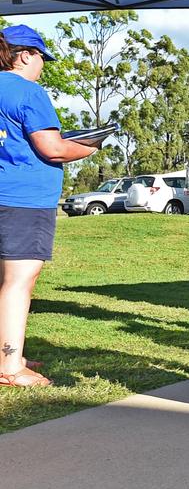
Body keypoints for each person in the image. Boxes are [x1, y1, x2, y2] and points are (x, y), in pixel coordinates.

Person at [1, 25, 97, 387]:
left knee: (4, 280)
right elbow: (53, 148)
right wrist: (90, 146)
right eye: (42, 57)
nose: (43, 65)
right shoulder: (28, 91)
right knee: (19, 282)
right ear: (25, 55)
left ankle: (8, 354)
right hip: (25, 199)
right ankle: (10, 368)